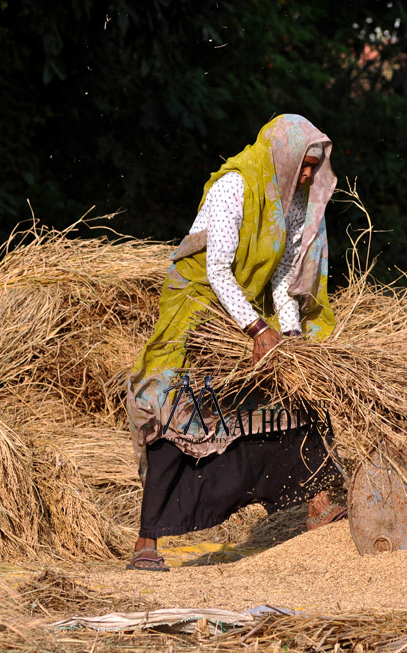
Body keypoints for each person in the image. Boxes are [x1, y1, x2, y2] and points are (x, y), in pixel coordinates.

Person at [124, 114, 346, 571]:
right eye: (304, 165)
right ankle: (148, 541)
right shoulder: (236, 185)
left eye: (314, 168)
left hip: (245, 304)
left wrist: (288, 336)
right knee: (173, 406)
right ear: (285, 156)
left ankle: (317, 504)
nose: (307, 175)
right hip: (199, 307)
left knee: (285, 392)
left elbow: (284, 273)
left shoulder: (293, 199)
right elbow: (216, 270)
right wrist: (257, 329)